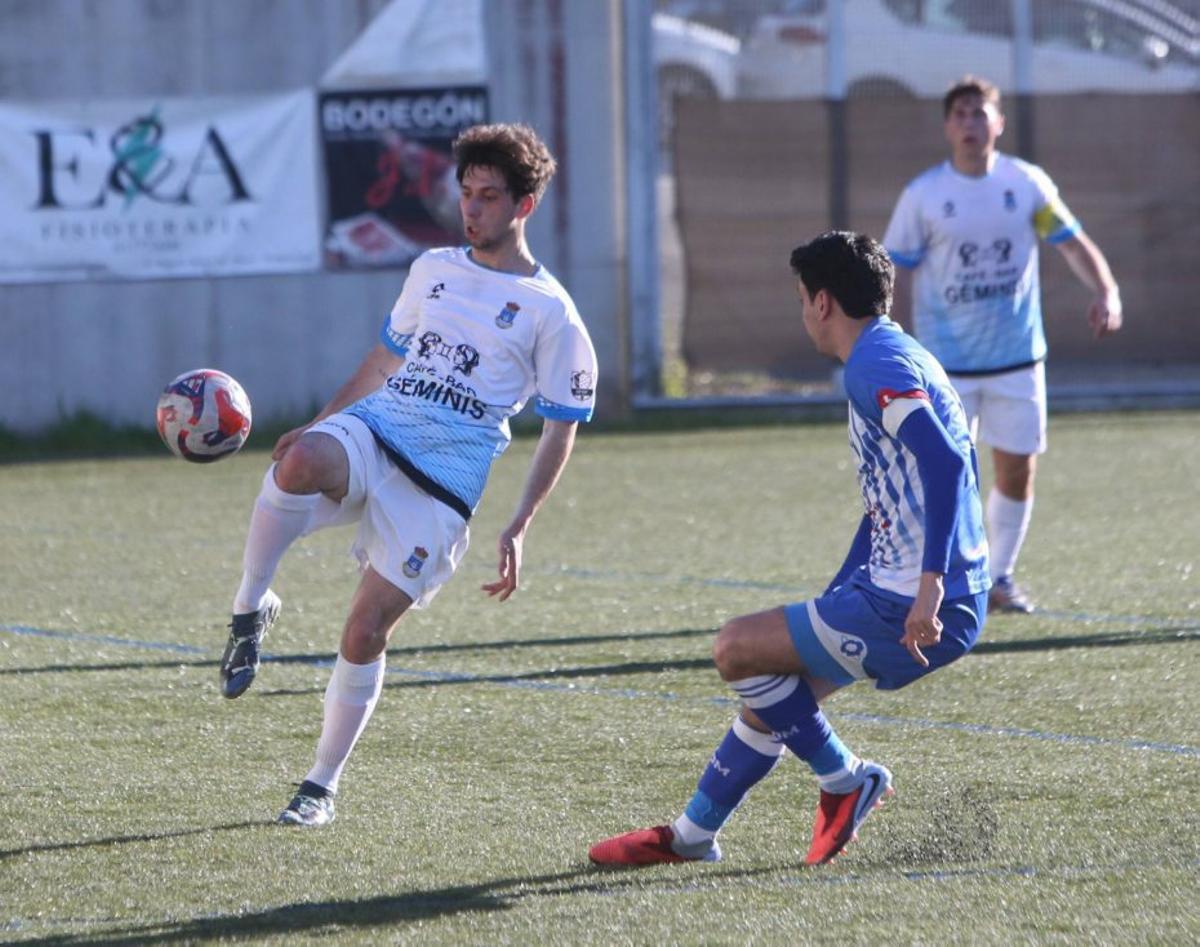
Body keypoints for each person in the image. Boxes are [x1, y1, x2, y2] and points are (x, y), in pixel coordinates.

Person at [218, 122, 598, 826]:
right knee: (298, 460)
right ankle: (250, 606)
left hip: (443, 483)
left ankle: (320, 785)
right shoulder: (433, 269)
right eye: (466, 193)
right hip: (379, 428)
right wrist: (321, 419)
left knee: (363, 632)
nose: (472, 208)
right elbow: (385, 359)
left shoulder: (553, 311)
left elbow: (560, 423)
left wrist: (519, 523)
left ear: (525, 205)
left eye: (489, 196)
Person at [589, 231, 989, 868]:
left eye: (802, 298)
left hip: (913, 600)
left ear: (822, 301)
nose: (802, 311)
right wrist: (845, 588)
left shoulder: (872, 365)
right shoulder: (899, 352)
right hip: (906, 587)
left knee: (736, 649)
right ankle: (693, 836)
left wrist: (931, 583)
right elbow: (894, 496)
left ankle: (845, 779)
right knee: (775, 690)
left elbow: (943, 464)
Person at [882, 75, 1122, 614]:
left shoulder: (1026, 184)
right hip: (945, 367)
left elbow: (1071, 241)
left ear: (999, 123)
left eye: (980, 112)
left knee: (1017, 469)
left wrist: (1107, 290)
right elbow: (893, 270)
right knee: (942, 474)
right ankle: (924, 584)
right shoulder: (924, 195)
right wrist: (887, 346)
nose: (971, 123)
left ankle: (999, 578)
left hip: (1017, 359)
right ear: (948, 126)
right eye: (961, 114)